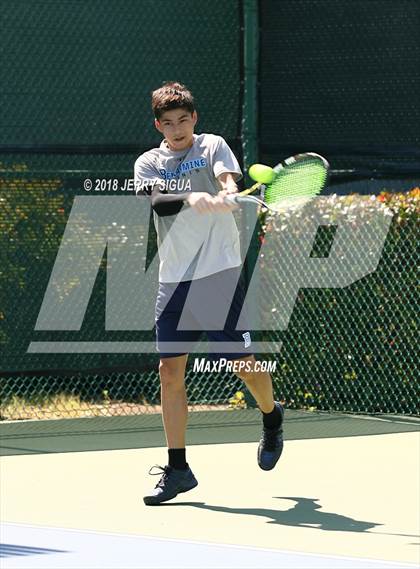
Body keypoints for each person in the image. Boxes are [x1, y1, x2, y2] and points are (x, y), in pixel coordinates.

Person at [134, 82, 284, 506]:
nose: (177, 129)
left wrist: (227, 191)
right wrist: (191, 196)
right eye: (168, 123)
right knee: (169, 371)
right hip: (174, 278)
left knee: (244, 367)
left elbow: (227, 178)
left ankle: (271, 417)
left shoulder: (213, 145)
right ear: (158, 125)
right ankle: (178, 468)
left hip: (218, 274)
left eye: (184, 120)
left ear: (194, 119)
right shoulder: (148, 161)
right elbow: (158, 202)